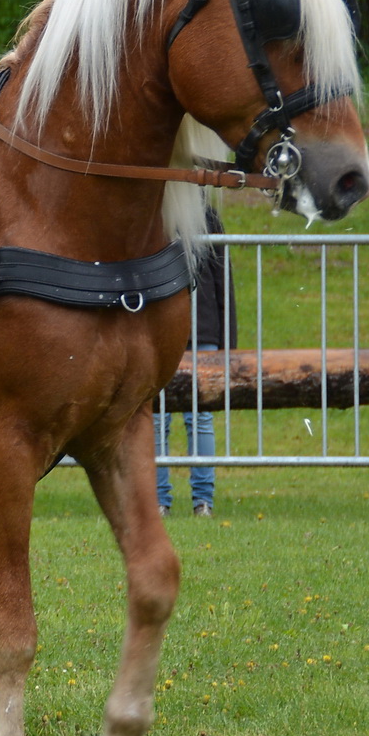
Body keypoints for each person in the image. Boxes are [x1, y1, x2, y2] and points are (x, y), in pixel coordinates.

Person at [156, 207, 238, 518]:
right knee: (157, 419)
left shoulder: (206, 213)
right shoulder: (154, 209)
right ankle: (160, 500)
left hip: (199, 331)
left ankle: (199, 499)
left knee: (198, 417)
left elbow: (222, 280)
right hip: (160, 333)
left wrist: (227, 345)